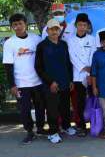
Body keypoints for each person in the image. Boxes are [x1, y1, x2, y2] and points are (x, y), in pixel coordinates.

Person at [3, 14, 46, 144]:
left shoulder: (36, 39)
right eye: (15, 25)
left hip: (37, 81)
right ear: (11, 27)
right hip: (21, 83)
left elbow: (43, 60)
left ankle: (40, 128)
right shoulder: (9, 43)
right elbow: (8, 66)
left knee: (40, 107)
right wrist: (13, 85)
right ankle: (29, 132)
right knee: (24, 109)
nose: (18, 27)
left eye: (20, 23)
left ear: (25, 24)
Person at [35, 19, 76, 144]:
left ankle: (66, 127)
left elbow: (68, 64)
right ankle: (53, 132)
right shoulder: (41, 46)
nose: (54, 31)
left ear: (60, 30)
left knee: (65, 107)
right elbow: (39, 67)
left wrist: (70, 80)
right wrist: (50, 82)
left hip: (64, 82)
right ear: (47, 30)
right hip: (50, 85)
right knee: (52, 109)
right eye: (51, 29)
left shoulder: (63, 44)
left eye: (56, 29)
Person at [67, 13, 96, 137]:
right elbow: (71, 57)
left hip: (90, 75)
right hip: (77, 75)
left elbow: (93, 55)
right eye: (80, 25)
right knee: (79, 102)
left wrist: (90, 72)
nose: (82, 27)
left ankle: (95, 124)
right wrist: (83, 68)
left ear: (87, 26)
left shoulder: (92, 39)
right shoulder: (70, 40)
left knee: (93, 100)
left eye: (84, 25)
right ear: (76, 25)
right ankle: (81, 126)